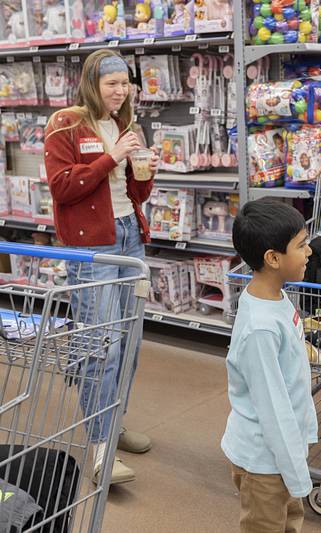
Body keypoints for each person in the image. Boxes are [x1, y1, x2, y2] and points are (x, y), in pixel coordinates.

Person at [44, 49, 158, 485]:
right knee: (101, 345)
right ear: (92, 84)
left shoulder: (124, 125)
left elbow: (136, 193)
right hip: (93, 248)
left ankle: (113, 424)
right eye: (111, 82)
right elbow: (62, 187)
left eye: (125, 82)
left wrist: (143, 172)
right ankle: (98, 448)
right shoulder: (66, 124)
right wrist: (111, 157)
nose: (120, 89)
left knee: (129, 342)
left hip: (130, 236)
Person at [221, 199, 317, 533]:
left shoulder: (274, 295)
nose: (309, 252)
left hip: (281, 452)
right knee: (267, 525)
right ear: (273, 258)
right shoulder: (260, 329)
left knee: (289, 520)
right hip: (265, 460)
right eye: (301, 245)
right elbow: (272, 407)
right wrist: (296, 474)